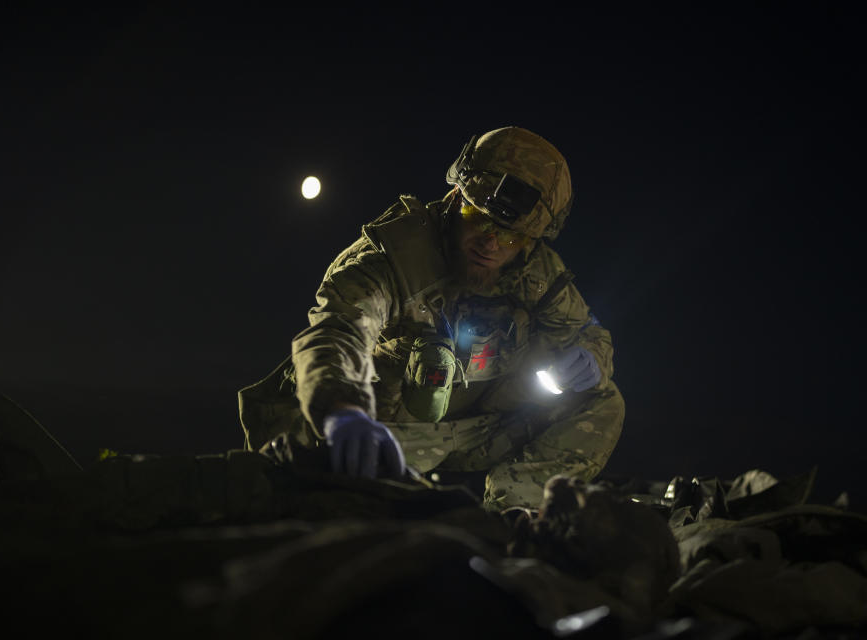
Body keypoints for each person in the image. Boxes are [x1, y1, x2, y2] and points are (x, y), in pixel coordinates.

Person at [239, 127, 625, 509]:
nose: (490, 243)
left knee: (601, 400)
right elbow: (338, 331)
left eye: (509, 236)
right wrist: (343, 410)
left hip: (479, 430)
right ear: (456, 197)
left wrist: (592, 356)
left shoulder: (537, 274)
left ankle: (514, 516)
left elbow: (585, 331)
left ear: (530, 239)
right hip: (383, 435)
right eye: (478, 218)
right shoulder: (394, 258)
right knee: (302, 442)